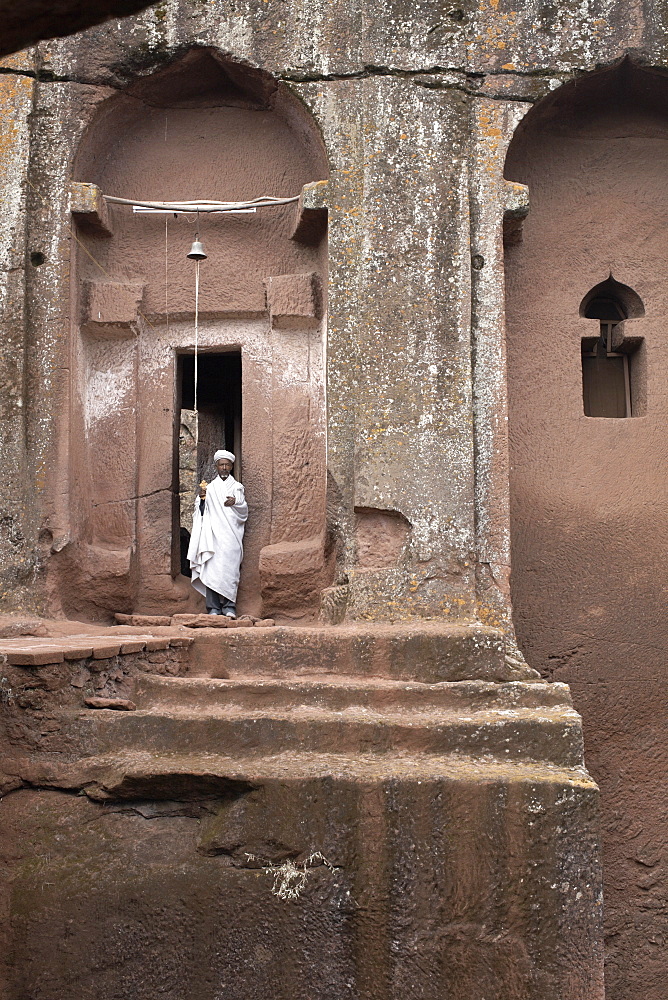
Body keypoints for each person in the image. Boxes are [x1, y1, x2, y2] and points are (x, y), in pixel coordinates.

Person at [187, 449, 248, 617]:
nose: (224, 467)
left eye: (227, 464)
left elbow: (244, 511)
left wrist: (235, 502)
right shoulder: (210, 488)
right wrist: (202, 499)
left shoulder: (237, 487)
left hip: (231, 536)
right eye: (221, 464)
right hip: (213, 535)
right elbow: (200, 511)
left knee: (230, 569)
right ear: (216, 466)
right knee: (212, 570)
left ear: (231, 466)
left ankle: (230, 607)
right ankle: (213, 608)